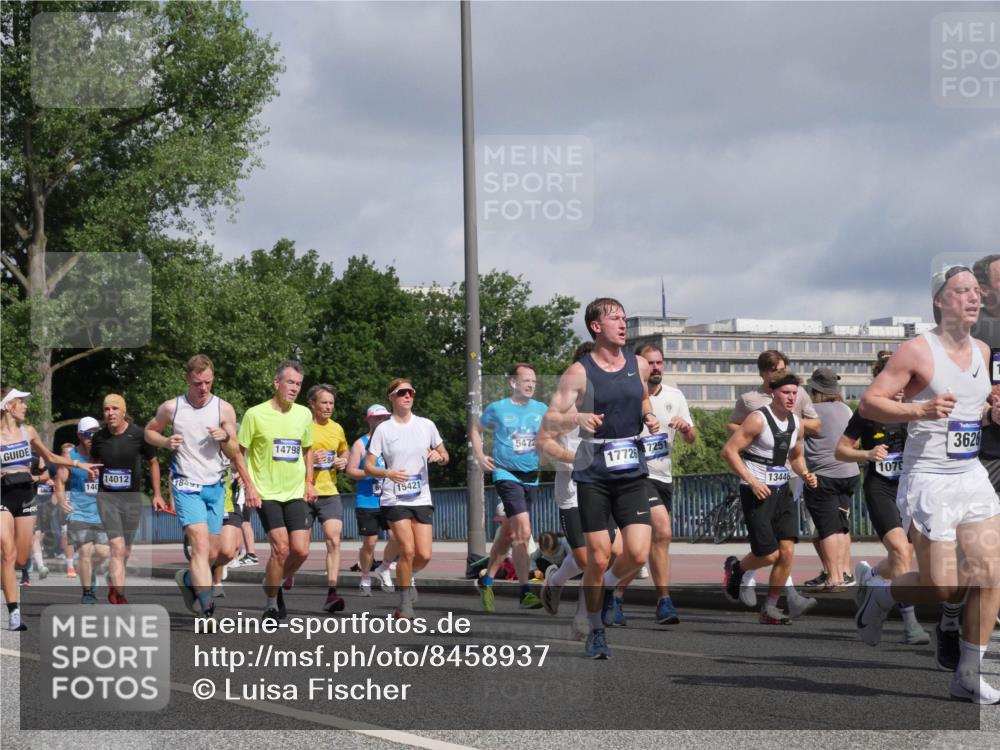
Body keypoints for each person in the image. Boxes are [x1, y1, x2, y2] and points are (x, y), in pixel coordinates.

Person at [855, 265, 1000, 704]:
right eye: (961, 291)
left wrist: (992, 410)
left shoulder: (982, 349)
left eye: (976, 291)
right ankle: (879, 595)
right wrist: (921, 410)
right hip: (928, 479)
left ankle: (968, 675)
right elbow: (870, 404)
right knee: (943, 586)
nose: (972, 298)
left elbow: (975, 409)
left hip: (970, 475)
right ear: (939, 300)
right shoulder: (917, 351)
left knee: (989, 574)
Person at [538, 298, 660, 659]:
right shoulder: (579, 372)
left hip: (631, 468)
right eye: (614, 319)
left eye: (624, 317)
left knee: (637, 555)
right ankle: (595, 628)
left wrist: (649, 416)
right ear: (596, 327)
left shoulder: (638, 365)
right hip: (593, 475)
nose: (622, 324)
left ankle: (600, 593)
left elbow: (640, 399)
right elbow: (548, 423)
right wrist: (577, 419)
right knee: (598, 556)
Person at [145, 354, 257, 624]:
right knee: (200, 544)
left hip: (215, 486)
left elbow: (233, 452)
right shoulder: (172, 408)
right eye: (197, 383)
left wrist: (226, 437)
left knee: (218, 552)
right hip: (186, 483)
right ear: (187, 380)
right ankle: (207, 610)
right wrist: (164, 441)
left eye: (207, 382)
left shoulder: (224, 409)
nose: (203, 388)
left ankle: (187, 578)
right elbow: (149, 431)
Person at [835, 352, 930, 646]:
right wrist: (865, 454)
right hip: (882, 488)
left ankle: (872, 574)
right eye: (895, 381)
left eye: (907, 381)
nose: (901, 388)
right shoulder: (866, 412)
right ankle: (911, 625)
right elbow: (840, 450)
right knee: (902, 552)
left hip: (912, 488)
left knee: (907, 556)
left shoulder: (919, 409)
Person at [608, 343, 697, 626]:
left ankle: (633, 597)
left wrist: (686, 429)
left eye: (660, 363)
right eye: (651, 363)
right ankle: (660, 599)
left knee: (658, 540)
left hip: (663, 476)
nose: (656, 368)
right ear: (640, 367)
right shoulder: (630, 394)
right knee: (662, 528)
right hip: (635, 474)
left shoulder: (675, 395)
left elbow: (692, 439)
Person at [721, 372, 819, 624]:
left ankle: (771, 608)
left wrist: (806, 474)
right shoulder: (757, 419)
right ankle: (737, 569)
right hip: (756, 490)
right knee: (769, 554)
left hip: (782, 488)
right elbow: (729, 451)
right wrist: (752, 482)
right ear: (774, 393)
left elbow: (796, 456)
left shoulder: (797, 422)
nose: (791, 397)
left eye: (794, 393)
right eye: (786, 393)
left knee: (787, 552)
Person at [1, 387, 100, 630]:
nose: (25, 406)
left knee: (21, 558)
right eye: (21, 402)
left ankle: (8, 572)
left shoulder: (29, 431)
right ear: (7, 405)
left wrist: (78, 463)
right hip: (2, 493)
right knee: (8, 552)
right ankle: (14, 613)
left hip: (24, 495)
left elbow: (52, 457)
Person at [365, 379, 448, 619]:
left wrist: (438, 456)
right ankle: (404, 606)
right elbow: (369, 466)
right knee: (408, 550)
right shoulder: (384, 429)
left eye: (410, 391)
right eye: (401, 392)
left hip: (421, 496)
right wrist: (387, 472)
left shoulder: (426, 425)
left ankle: (405, 576)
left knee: (424, 555)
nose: (407, 396)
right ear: (391, 398)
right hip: (394, 498)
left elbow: (445, 454)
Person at [238, 360, 313, 622]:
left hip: (294, 491)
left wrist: (309, 482)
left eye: (299, 384)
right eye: (290, 382)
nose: (294, 388)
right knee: (280, 549)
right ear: (276, 383)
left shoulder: (303, 414)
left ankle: (274, 580)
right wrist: (248, 485)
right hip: (266, 492)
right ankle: (271, 603)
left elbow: (308, 448)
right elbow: (240, 451)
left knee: (301, 551)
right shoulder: (255, 414)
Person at [472, 363, 548, 611]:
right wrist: (480, 456)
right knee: (523, 531)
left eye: (534, 381)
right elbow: (475, 429)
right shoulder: (498, 408)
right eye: (526, 380)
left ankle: (487, 580)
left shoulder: (541, 409)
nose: (530, 385)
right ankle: (526, 591)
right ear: (513, 382)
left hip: (531, 476)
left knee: (509, 535)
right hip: (506, 474)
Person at [90, 393, 163, 604]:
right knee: (118, 548)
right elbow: (93, 460)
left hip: (131, 499)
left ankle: (114, 583)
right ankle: (120, 596)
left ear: (123, 412)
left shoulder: (139, 435)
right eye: (106, 409)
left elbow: (154, 462)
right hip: (107, 498)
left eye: (114, 409)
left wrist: (157, 494)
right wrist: (92, 471)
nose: (110, 413)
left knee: (126, 550)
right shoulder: (99, 437)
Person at [800, 367, 859, 591]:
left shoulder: (810, 412)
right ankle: (845, 572)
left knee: (827, 529)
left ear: (813, 389)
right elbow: (854, 442)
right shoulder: (845, 408)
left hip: (823, 476)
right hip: (849, 473)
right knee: (842, 526)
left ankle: (833, 578)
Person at [304, 384, 350, 612]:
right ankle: (286, 575)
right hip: (302, 492)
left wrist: (344, 460)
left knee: (334, 539)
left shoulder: (337, 428)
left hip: (329, 492)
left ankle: (332, 592)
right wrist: (309, 462)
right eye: (324, 402)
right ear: (311, 403)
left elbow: (344, 450)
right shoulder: (301, 426)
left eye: (331, 403)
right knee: (298, 549)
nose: (329, 407)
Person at [56, 417, 110, 604]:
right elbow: (60, 482)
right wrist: (62, 500)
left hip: (101, 513)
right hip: (78, 512)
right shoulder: (71, 457)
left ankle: (88, 569)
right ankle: (88, 593)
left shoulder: (103, 453)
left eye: (95, 433)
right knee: (85, 552)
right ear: (79, 435)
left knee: (102, 553)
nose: (91, 438)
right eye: (88, 434)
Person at [345, 404, 398, 595]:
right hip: (367, 500)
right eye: (377, 418)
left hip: (389, 499)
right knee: (370, 542)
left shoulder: (392, 443)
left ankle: (383, 568)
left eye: (385, 418)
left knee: (397, 537)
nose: (382, 421)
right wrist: (369, 473)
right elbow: (350, 471)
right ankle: (365, 578)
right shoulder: (361, 444)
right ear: (369, 419)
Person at [727, 350, 821, 437]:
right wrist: (756, 437)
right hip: (761, 454)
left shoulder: (799, 392)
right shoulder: (748, 399)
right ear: (761, 372)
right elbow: (731, 427)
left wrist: (791, 421)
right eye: (774, 371)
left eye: (782, 370)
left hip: (793, 453)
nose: (780, 374)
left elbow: (816, 426)